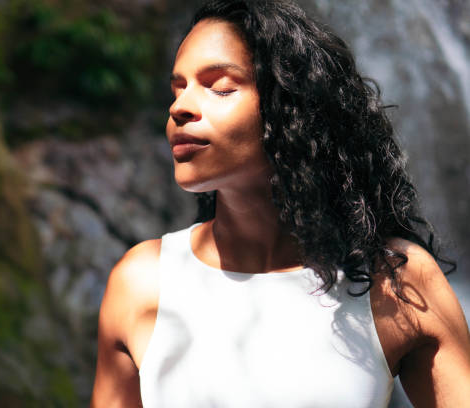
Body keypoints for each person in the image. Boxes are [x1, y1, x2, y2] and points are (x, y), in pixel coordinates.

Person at [90, 0, 470, 406]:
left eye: (219, 87)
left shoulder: (394, 282)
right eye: (178, 88)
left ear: (293, 107)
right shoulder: (142, 283)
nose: (179, 107)